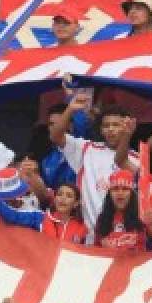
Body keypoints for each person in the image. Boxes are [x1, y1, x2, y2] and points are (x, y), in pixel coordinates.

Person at [49, 95, 137, 232]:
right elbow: (56, 136)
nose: (111, 129)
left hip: (124, 240)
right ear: (101, 130)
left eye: (116, 125)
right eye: (106, 126)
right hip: (89, 237)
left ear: (127, 127)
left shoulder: (137, 159)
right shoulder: (87, 149)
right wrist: (70, 109)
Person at [92, 170, 149, 252]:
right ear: (109, 194)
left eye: (125, 189)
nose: (120, 193)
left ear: (132, 194)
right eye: (115, 189)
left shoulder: (143, 216)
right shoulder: (102, 219)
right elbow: (96, 251)